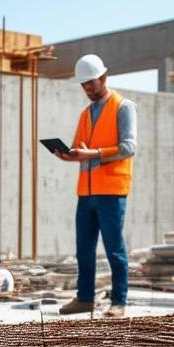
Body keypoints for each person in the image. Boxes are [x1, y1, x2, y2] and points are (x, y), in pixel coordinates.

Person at [54, 53, 137, 318]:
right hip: (86, 191)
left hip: (111, 191)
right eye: (84, 85)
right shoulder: (85, 114)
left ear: (103, 77)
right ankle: (85, 298)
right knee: (84, 249)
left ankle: (119, 302)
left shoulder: (123, 107)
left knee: (114, 248)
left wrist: (93, 154)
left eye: (92, 82)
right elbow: (81, 149)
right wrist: (68, 154)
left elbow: (128, 147)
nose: (88, 88)